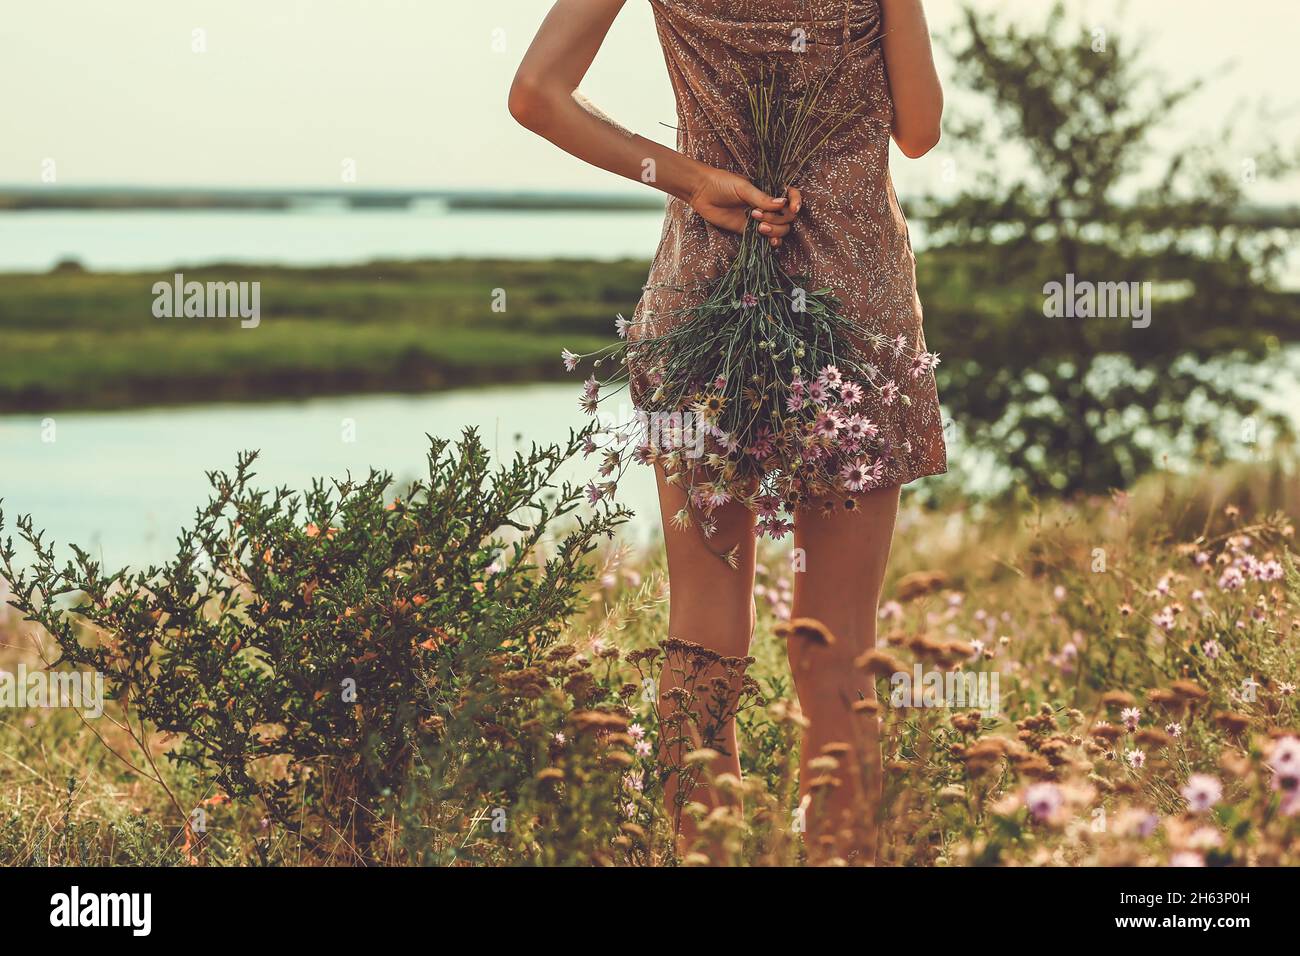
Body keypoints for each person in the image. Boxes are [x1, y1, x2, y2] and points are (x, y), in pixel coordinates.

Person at [510, 0, 946, 857]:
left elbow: (536, 95)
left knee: (702, 635)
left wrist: (689, 178)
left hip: (703, 292)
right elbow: (921, 129)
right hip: (855, 303)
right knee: (840, 645)